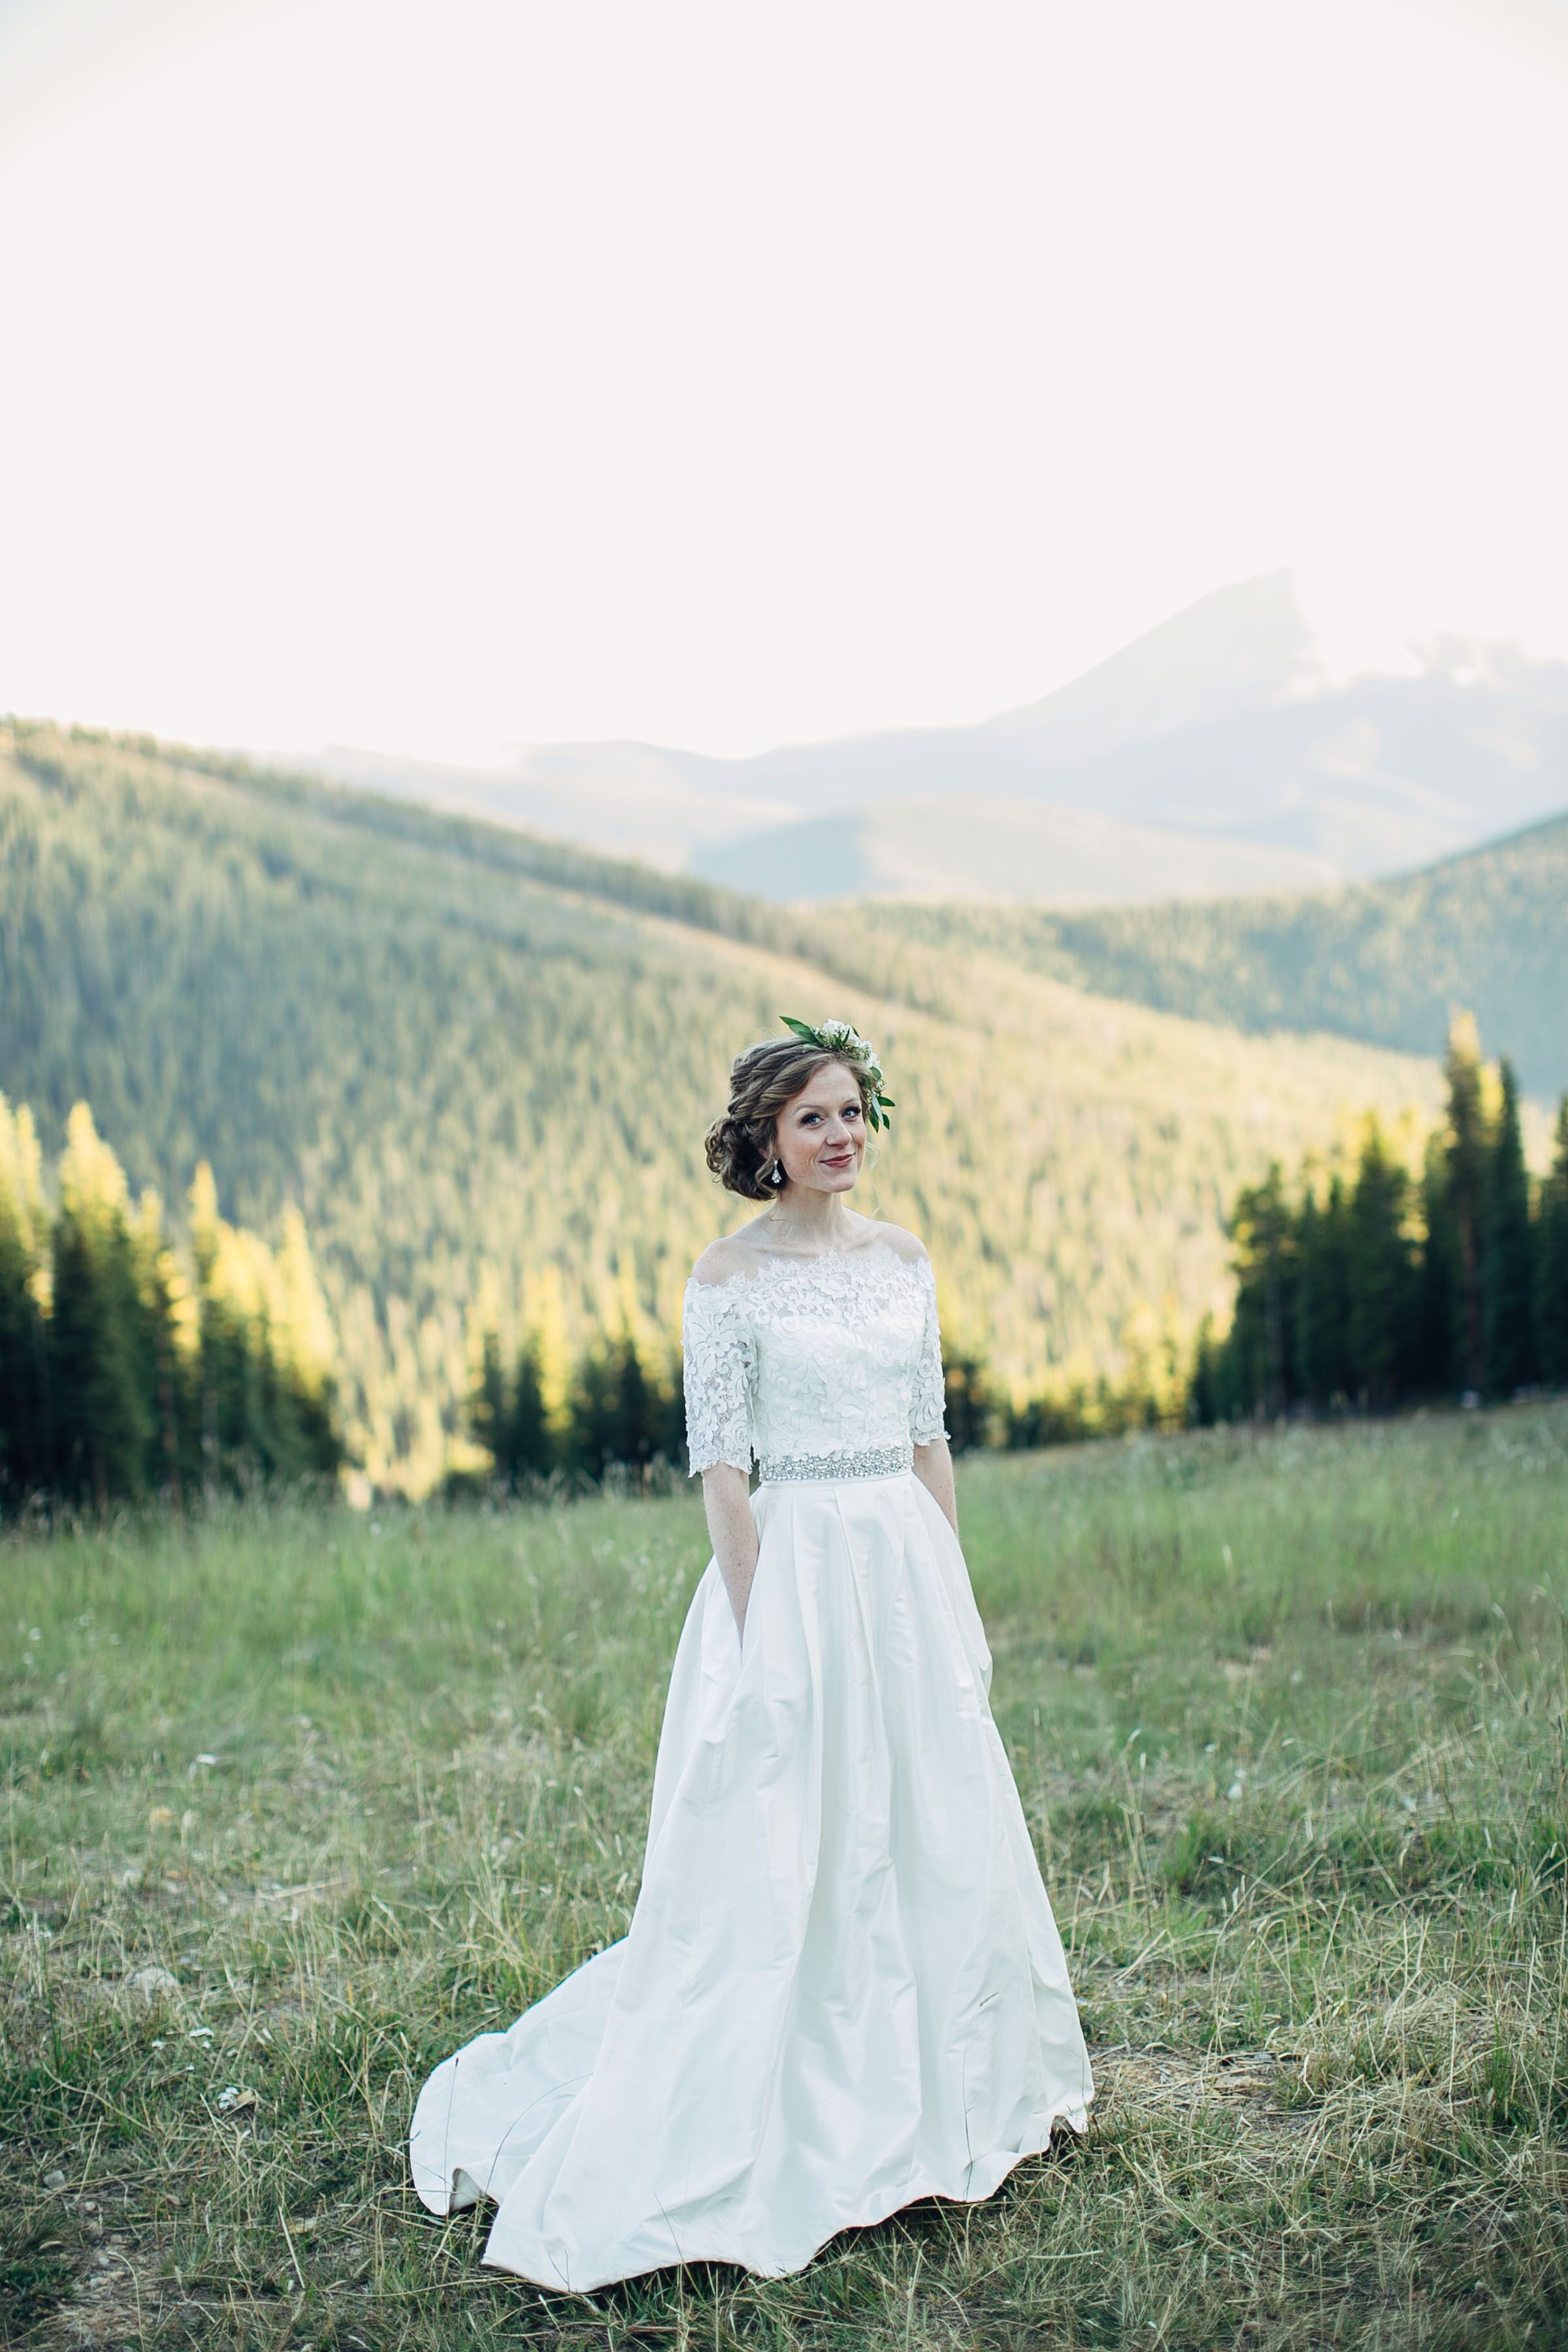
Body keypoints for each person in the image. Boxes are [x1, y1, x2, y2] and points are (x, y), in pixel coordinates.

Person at [409, 1017, 1092, 2289]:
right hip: (792, 1569)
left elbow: (929, 1437)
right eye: (813, 1119)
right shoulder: (726, 1279)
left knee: (925, 1824)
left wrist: (953, 1594)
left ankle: (935, 2093)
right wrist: (758, 1630)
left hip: (898, 1563)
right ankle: (784, 2115)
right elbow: (722, 1473)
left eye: (852, 1113)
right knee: (788, 1841)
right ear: (767, 1144)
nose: (841, 1137)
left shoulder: (904, 1260)